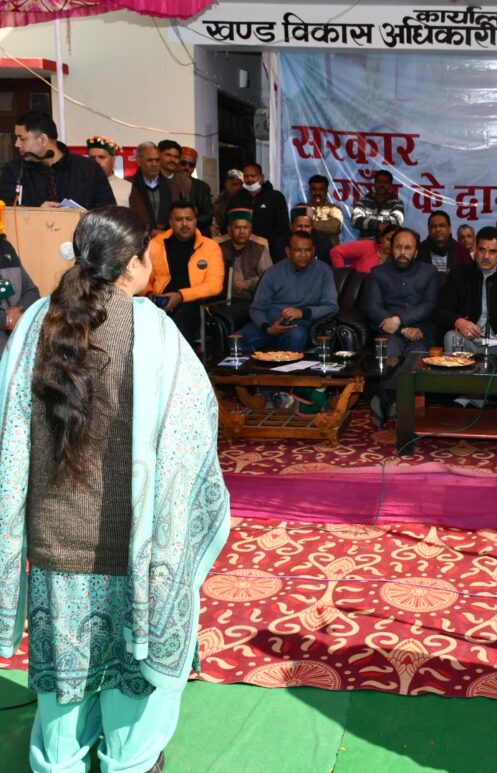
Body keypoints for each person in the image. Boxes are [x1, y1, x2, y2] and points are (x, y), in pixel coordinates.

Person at [0, 206, 229, 773]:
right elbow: (192, 434)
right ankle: (131, 759)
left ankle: (60, 760)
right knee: (134, 666)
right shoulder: (154, 330)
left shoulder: (36, 320)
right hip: (135, 542)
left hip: (54, 542)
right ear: (133, 264)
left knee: (64, 675)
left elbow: (10, 428)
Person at [364, 228, 438, 425]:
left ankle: (395, 404)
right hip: (389, 330)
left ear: (416, 251)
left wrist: (400, 319)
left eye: (408, 248)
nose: (402, 252)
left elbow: (429, 305)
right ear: (391, 248)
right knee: (390, 350)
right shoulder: (378, 272)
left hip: (420, 330)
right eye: (398, 247)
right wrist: (401, 328)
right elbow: (373, 307)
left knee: (416, 355)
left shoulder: (429, 272)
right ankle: (391, 401)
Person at [238, 230, 338, 353]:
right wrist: (267, 328)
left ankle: (288, 366)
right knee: (237, 339)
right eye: (298, 250)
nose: (303, 255)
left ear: (313, 251)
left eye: (308, 250)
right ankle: (254, 366)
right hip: (269, 325)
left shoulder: (324, 271)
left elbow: (331, 307)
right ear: (288, 251)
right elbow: (256, 308)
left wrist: (302, 313)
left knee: (296, 336)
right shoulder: (273, 272)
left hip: (298, 327)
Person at [435, 225, 497, 355]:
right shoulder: (459, 276)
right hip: (468, 342)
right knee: (452, 337)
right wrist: (459, 322)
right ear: (475, 249)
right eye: (482, 250)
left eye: (492, 252)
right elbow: (440, 311)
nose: (486, 256)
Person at [145, 200, 225, 343]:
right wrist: (149, 294)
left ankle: (177, 357)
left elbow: (215, 285)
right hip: (158, 302)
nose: (185, 224)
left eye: (189, 219)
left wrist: (181, 296)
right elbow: (143, 278)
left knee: (180, 316)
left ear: (195, 220)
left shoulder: (210, 246)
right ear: (171, 222)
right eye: (179, 219)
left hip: (194, 304)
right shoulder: (156, 245)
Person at [0, 111, 114, 209]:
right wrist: (37, 213)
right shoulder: (13, 170)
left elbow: (109, 212)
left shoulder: (89, 168)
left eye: (22, 139)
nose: (17, 144)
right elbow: (5, 213)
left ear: (43, 140)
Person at [0, 228, 41, 357]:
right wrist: (5, 320)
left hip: (16, 351)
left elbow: (32, 291)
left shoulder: (6, 248)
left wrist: (19, 310)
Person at [231, 163, 290, 248]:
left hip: (270, 248)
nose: (249, 179)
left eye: (253, 176)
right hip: (242, 248)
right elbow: (229, 225)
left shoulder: (276, 197)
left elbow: (283, 226)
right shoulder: (236, 199)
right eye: (246, 176)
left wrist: (266, 242)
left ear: (261, 177)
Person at [219, 208, 272, 301]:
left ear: (250, 229)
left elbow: (269, 277)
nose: (242, 232)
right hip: (222, 300)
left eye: (246, 228)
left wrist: (248, 283)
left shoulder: (259, 249)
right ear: (229, 230)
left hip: (252, 300)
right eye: (237, 227)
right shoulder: (218, 249)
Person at [128, 142, 174, 235]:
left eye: (157, 160)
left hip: (167, 237)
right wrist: (150, 231)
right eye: (150, 160)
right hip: (137, 236)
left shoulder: (173, 185)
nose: (154, 164)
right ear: (138, 161)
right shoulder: (128, 184)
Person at [352, 170, 404, 239]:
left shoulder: (397, 203)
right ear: (374, 183)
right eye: (379, 181)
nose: (381, 184)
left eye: (385, 182)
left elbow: (396, 221)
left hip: (387, 243)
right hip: (366, 242)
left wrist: (368, 221)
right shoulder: (362, 202)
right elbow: (355, 220)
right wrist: (378, 225)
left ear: (390, 185)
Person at [177, 146, 214, 237]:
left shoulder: (202, 187)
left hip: (198, 234)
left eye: (191, 165)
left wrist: (187, 223)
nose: (187, 167)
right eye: (183, 163)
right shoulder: (168, 183)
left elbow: (208, 216)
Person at [330, 224, 397, 274]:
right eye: (388, 239)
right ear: (381, 238)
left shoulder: (399, 261)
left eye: (395, 241)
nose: (391, 244)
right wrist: (341, 276)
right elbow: (336, 252)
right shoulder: (369, 246)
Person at [86, 135, 132, 207]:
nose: (96, 162)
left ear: (113, 160)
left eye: (101, 157)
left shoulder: (128, 188)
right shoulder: (79, 186)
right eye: (92, 158)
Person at [308, 174, 344, 245]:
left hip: (330, 250)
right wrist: (325, 225)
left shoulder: (335, 209)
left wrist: (309, 225)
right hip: (308, 249)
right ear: (310, 190)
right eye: (314, 189)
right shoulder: (304, 208)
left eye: (321, 189)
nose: (317, 193)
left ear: (326, 191)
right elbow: (298, 228)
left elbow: (335, 227)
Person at [212, 169, 244, 235]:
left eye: (241, 184)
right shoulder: (220, 203)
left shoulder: (249, 197)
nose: (238, 187)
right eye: (234, 184)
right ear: (226, 184)